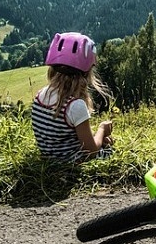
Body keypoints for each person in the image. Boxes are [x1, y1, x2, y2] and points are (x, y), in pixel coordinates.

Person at [31, 32, 115, 162]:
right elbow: (91, 151)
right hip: (72, 161)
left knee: (102, 142)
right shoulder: (75, 105)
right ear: (86, 73)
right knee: (110, 150)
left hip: (49, 160)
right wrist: (102, 129)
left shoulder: (39, 96)